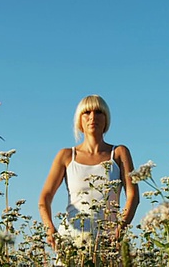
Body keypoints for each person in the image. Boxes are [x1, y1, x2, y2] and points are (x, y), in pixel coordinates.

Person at [38, 95, 140, 251]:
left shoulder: (119, 153)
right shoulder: (66, 155)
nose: (93, 117)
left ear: (106, 119)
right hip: (72, 240)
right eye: (87, 112)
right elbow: (45, 197)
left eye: (98, 112)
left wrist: (121, 228)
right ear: (79, 120)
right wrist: (50, 228)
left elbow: (133, 196)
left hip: (109, 241)